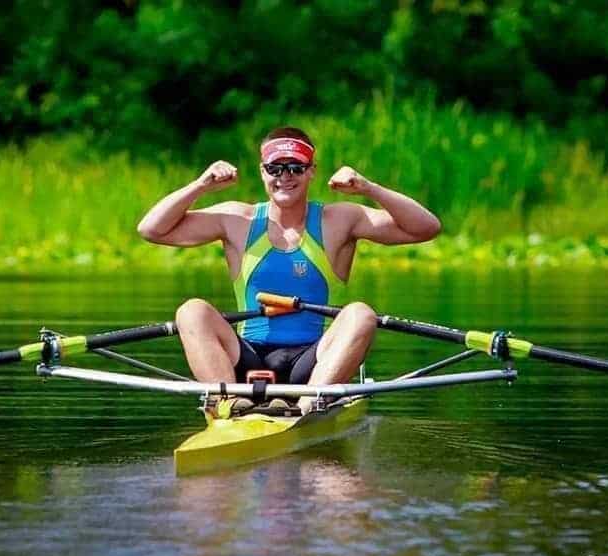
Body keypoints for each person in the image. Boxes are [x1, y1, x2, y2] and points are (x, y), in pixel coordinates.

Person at [137, 126, 441, 415]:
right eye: (275, 168)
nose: (285, 176)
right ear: (262, 171)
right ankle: (226, 401)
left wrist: (367, 187)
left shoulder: (339, 220)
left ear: (311, 172)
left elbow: (426, 228)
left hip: (314, 363)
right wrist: (200, 185)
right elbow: (151, 229)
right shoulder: (236, 219)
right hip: (246, 359)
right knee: (192, 311)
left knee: (361, 313)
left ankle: (310, 404)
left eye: (295, 168)